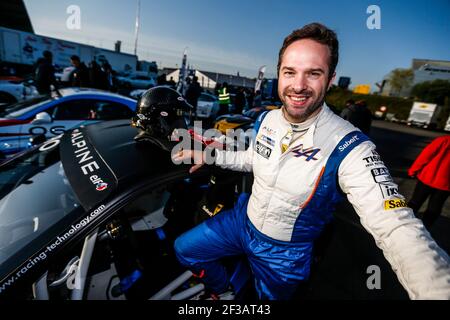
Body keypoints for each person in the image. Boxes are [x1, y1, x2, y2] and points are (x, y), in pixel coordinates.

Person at [172, 23, 450, 300]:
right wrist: (211, 154)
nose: (299, 85)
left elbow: (396, 224)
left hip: (284, 253)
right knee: (185, 248)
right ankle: (223, 290)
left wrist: (436, 291)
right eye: (290, 72)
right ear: (279, 74)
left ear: (330, 80)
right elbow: (254, 158)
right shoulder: (267, 118)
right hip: (241, 222)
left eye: (313, 73)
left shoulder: (351, 145)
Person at [408, 135, 450, 229]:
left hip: (426, 179)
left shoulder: (443, 140)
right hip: (445, 185)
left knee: (414, 202)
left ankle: (406, 224)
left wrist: (413, 170)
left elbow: (426, 155)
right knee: (434, 209)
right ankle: (424, 229)